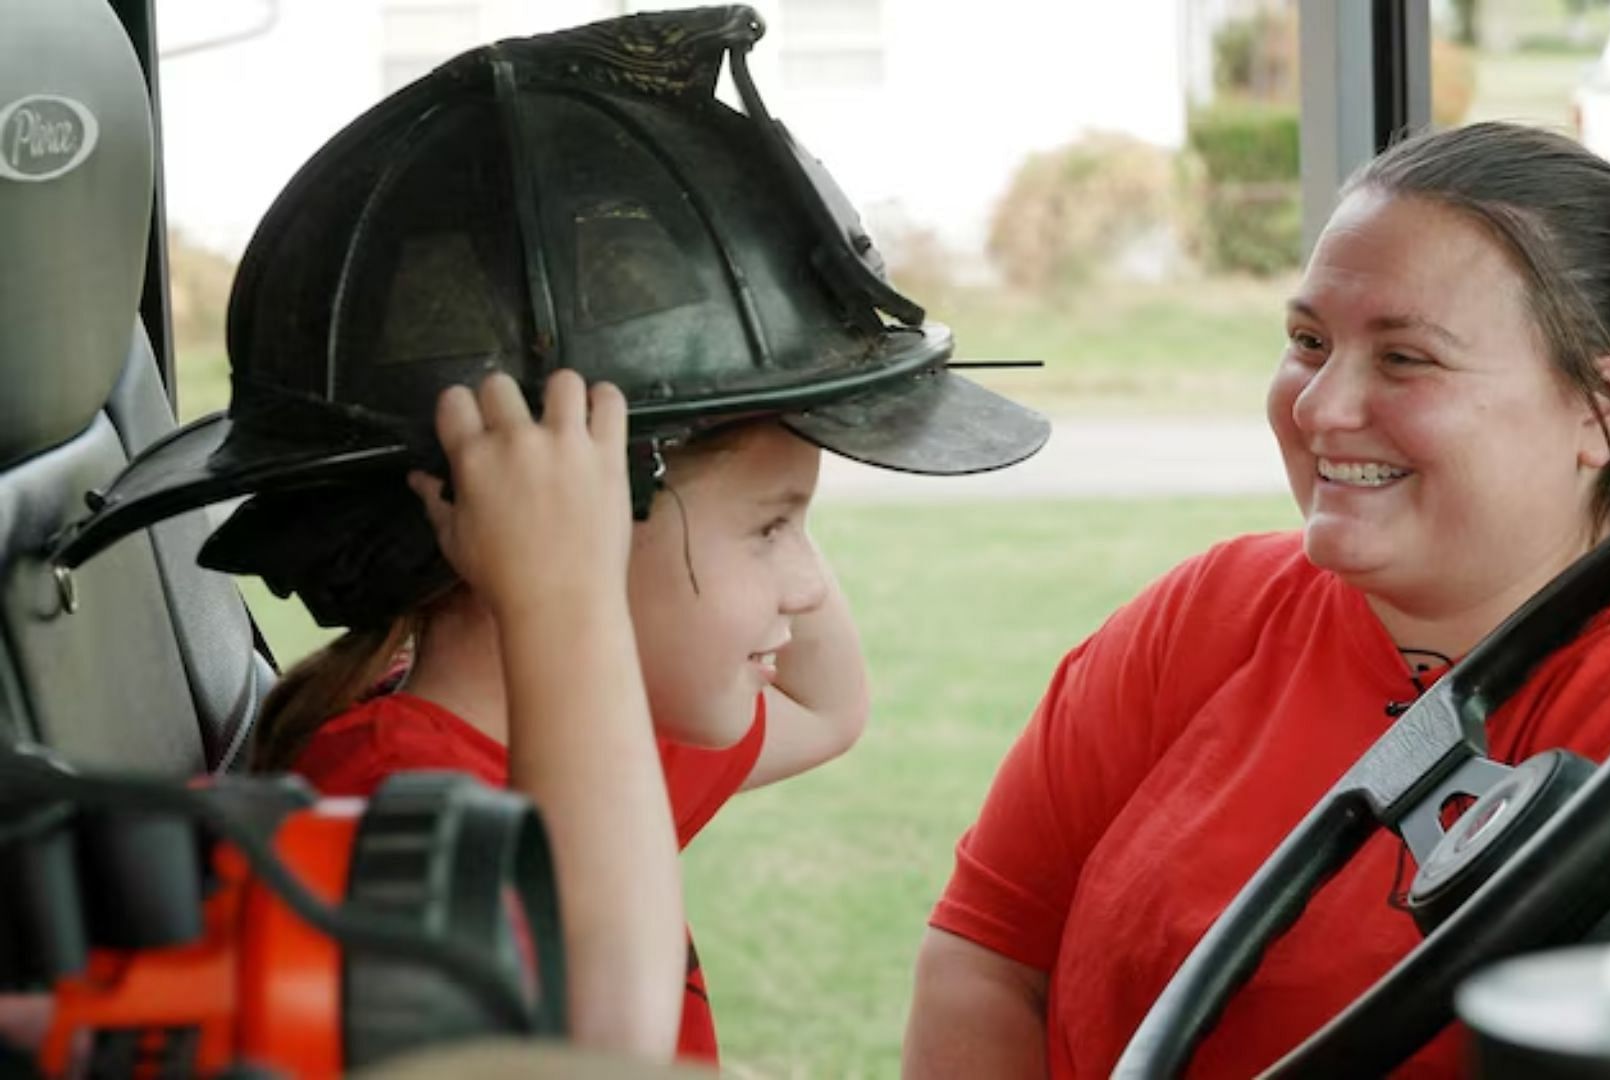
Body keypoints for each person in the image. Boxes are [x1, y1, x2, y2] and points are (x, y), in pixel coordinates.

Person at [51, 7, 1047, 1068]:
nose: (806, 584)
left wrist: (782, 412)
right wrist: (563, 592)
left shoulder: (594, 742)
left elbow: (827, 708)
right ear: (564, 525)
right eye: (769, 531)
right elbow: (593, 1041)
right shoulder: (394, 808)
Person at [902, 122, 1610, 1078]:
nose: (1320, 404)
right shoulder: (1205, 617)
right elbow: (989, 955)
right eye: (1308, 340)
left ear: (1604, 402)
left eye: (1404, 358)